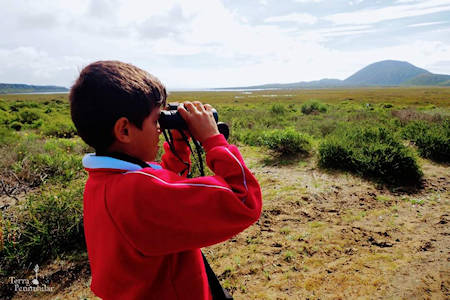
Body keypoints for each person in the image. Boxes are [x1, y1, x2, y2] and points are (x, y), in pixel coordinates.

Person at [69, 60, 262, 300]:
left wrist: (179, 142)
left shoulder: (105, 179)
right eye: (155, 121)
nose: (160, 129)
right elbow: (244, 200)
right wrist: (213, 140)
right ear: (124, 130)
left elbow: (166, 185)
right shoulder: (140, 191)